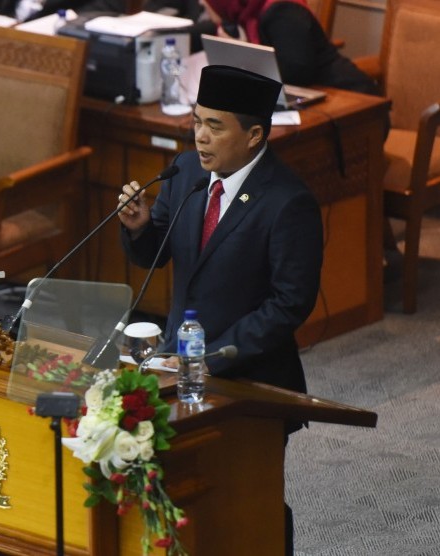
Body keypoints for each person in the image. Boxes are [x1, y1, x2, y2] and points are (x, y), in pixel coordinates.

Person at [118, 65, 323, 554]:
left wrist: (212, 356)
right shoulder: (188, 172)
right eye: (196, 122)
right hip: (176, 368)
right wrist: (140, 225)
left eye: (215, 125)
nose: (201, 137)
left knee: (249, 498)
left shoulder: (288, 201)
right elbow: (156, 252)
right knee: (186, 491)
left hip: (247, 376)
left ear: (254, 134)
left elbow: (288, 304)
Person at [199, 0, 379, 95]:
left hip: (352, 104)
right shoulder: (246, 14)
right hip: (312, 99)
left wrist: (244, 53)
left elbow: (298, 73)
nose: (201, 2)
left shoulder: (283, 12)